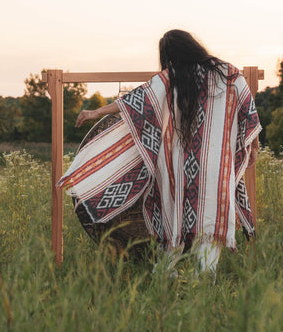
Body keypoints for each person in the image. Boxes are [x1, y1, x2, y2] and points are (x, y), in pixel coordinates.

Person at [58, 30, 261, 273]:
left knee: (173, 222)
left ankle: (167, 276)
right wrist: (254, 147)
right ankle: (204, 281)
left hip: (176, 168)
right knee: (210, 222)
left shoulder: (170, 78)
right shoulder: (228, 73)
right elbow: (248, 112)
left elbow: (135, 101)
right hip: (216, 167)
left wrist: (95, 112)